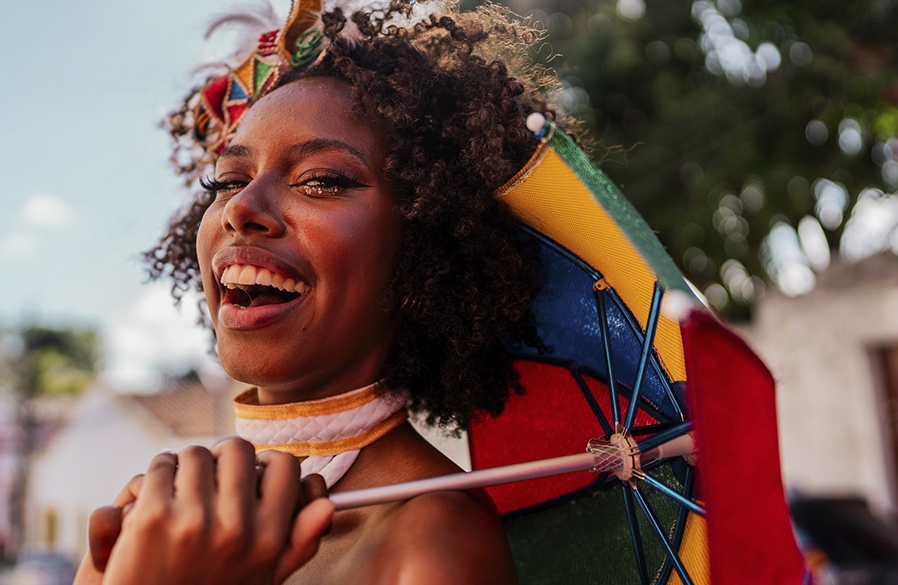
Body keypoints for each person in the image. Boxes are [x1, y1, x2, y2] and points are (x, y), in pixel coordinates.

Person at [75, 1, 570, 582]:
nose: (240, 207)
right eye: (228, 180)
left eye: (322, 181)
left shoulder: (433, 543)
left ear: (423, 246)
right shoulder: (159, 521)